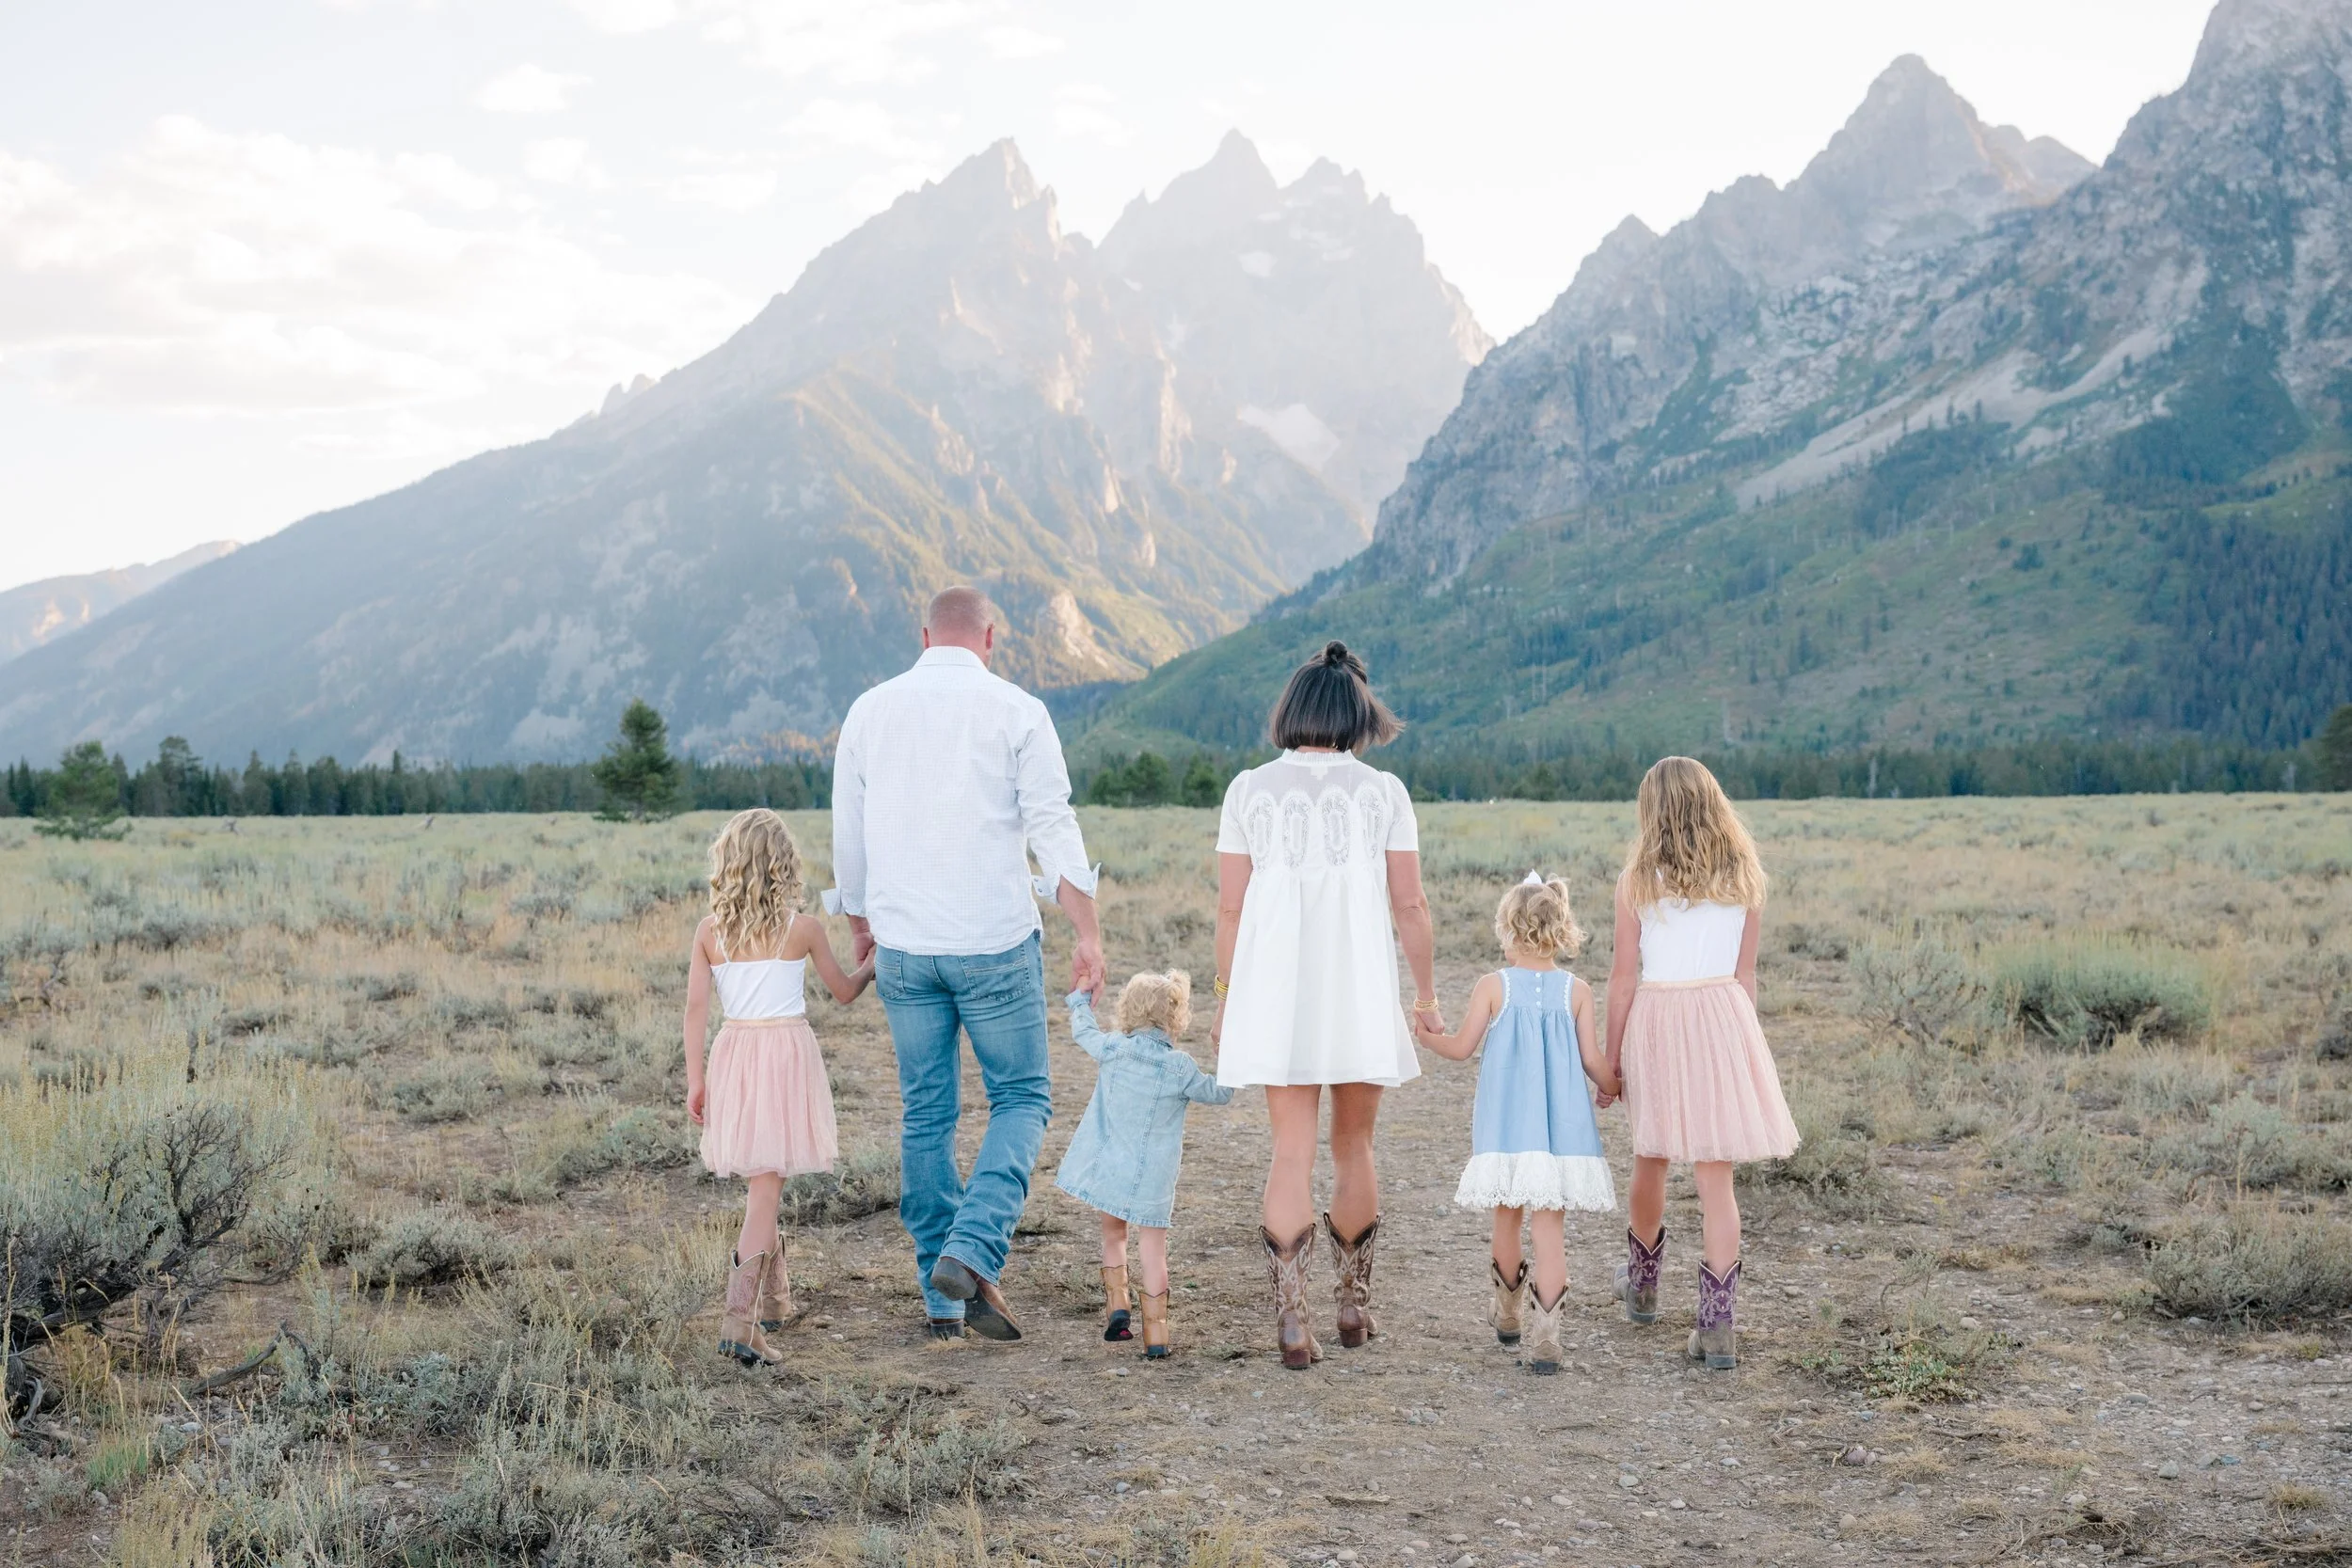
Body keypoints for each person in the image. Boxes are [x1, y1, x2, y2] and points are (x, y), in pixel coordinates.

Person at [831, 586, 1106, 1343]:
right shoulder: (1018, 710)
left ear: (924, 635)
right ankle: (973, 1247)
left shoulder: (869, 711)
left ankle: (942, 1295)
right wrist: (1087, 931)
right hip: (993, 942)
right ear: (991, 638)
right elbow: (1052, 824)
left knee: (927, 1112)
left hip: (905, 946)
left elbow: (848, 833)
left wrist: (859, 922)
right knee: (1021, 1096)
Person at [1211, 641, 1438, 1370]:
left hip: (1276, 993)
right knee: (1355, 1146)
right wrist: (1426, 995)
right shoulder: (1385, 793)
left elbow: (1229, 911)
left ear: (1294, 710)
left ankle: (1291, 1315)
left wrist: (1225, 997)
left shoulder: (1248, 790)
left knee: (1290, 1150)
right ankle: (1352, 1304)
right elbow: (1410, 905)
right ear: (1358, 715)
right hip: (1359, 988)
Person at [1604, 756, 1798, 1370]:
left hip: (1659, 1018)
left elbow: (1622, 979)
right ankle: (1717, 1327)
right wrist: (1744, 1044)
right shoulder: (1745, 877)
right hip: (1723, 1015)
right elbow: (1747, 975)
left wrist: (1611, 1059)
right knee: (1717, 1180)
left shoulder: (1638, 880)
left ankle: (1642, 1286)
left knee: (1651, 1154)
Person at [682, 809, 872, 1368]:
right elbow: (843, 992)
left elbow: (695, 1011)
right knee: (765, 1189)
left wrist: (696, 1078)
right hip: (784, 1057)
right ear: (783, 865)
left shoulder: (710, 932)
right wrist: (873, 963)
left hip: (736, 1055)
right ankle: (738, 1323)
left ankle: (772, 1301)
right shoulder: (803, 928)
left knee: (765, 1182)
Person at [1413, 874, 1618, 1375]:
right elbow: (1592, 1060)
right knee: (1550, 1228)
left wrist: (1426, 1037)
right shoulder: (1578, 991)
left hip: (1507, 1127)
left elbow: (1462, 1047)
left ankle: (1507, 1314)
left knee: (1506, 1215)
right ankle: (1547, 1337)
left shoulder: (1493, 986)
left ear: (1509, 930)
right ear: (1560, 930)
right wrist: (1612, 1083)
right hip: (1559, 1132)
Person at [1053, 970, 1234, 1358]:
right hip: (1153, 1178)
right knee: (1154, 1252)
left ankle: (1118, 1307)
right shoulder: (1180, 1067)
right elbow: (1220, 1093)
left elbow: (1083, 1031)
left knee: (1113, 1237)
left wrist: (1080, 1000)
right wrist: (1235, 1054)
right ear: (1176, 1017)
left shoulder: (1113, 1047)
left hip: (1110, 1169)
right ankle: (1157, 1336)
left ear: (1128, 1010)